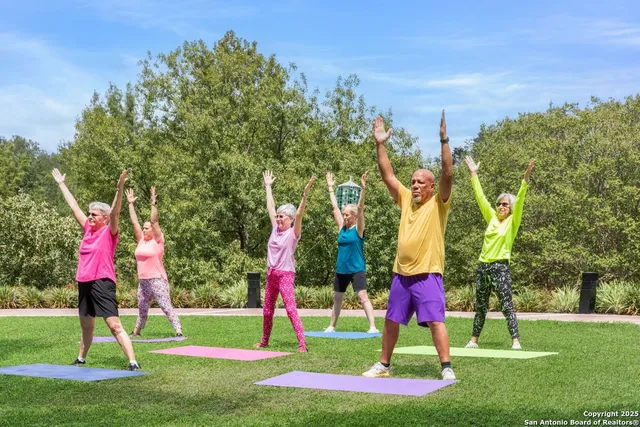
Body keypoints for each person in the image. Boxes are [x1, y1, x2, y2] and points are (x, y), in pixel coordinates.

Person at [363, 111, 455, 380]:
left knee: (436, 321)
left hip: (428, 273)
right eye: (413, 181)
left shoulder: (439, 203)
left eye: (420, 182)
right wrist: (380, 144)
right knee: (392, 320)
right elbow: (388, 176)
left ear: (431, 187)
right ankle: (384, 365)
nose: (414, 185)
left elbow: (448, 172)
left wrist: (444, 140)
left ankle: (446, 367)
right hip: (401, 275)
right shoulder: (404, 199)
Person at [51, 168, 140, 371]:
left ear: (105, 219)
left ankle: (133, 361)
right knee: (86, 326)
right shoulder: (87, 230)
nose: (90, 217)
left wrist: (119, 188)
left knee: (114, 325)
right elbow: (74, 207)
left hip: (102, 282)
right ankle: (81, 358)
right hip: (84, 282)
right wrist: (62, 184)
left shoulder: (109, 232)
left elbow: (116, 211)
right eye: (89, 214)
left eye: (94, 214)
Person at [463, 156, 534, 350]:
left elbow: (520, 200)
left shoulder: (513, 221)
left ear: (510, 208)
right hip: (483, 267)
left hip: (500, 267)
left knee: (506, 305)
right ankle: (473, 340)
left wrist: (525, 180)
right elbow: (480, 197)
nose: (501, 206)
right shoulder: (492, 218)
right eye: (500, 204)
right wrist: (473, 174)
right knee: (481, 306)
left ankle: (516, 341)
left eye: (505, 204)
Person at [254, 171, 316, 352]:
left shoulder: (293, 233)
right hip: (271, 275)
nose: (278, 218)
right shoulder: (275, 229)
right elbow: (270, 206)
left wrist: (305, 195)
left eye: (282, 216)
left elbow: (300, 212)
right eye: (278, 216)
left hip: (285, 276)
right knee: (267, 311)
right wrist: (267, 186)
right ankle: (264, 342)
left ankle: (302, 344)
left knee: (290, 309)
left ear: (290, 219)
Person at [324, 171, 378, 334]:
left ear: (354, 216)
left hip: (356, 269)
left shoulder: (358, 229)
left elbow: (360, 209)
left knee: (363, 297)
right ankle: (332, 326)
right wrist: (330, 188)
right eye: (344, 214)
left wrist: (363, 188)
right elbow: (334, 207)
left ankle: (373, 327)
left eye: (347, 214)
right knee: (337, 299)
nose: (344, 216)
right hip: (341, 269)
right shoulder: (342, 228)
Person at [126, 186, 183, 338]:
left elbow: (154, 220)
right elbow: (134, 223)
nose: (144, 230)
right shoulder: (141, 241)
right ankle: (137, 331)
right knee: (142, 308)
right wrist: (130, 204)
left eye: (147, 228)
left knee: (165, 306)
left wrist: (153, 203)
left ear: (153, 230)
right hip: (143, 281)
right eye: (144, 228)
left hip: (157, 279)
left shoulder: (158, 241)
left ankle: (178, 331)